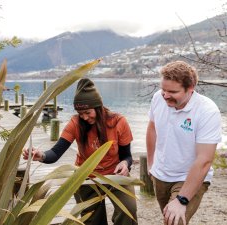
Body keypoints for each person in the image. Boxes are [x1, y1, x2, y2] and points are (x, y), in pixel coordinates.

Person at [23, 78, 137, 225]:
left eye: (88, 112)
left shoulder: (118, 122)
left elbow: (127, 156)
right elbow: (56, 153)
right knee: (92, 220)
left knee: (128, 212)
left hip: (115, 175)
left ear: (98, 107)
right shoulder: (75, 124)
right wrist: (41, 156)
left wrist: (125, 164)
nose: (84, 117)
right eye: (80, 113)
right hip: (87, 177)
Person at [146, 61, 222, 225]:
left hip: (189, 176)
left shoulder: (207, 111)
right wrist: (151, 163)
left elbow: (204, 160)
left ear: (191, 88)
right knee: (168, 218)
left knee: (175, 222)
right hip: (160, 175)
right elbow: (152, 128)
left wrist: (182, 199)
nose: (165, 95)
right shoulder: (158, 98)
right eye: (163, 90)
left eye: (173, 91)